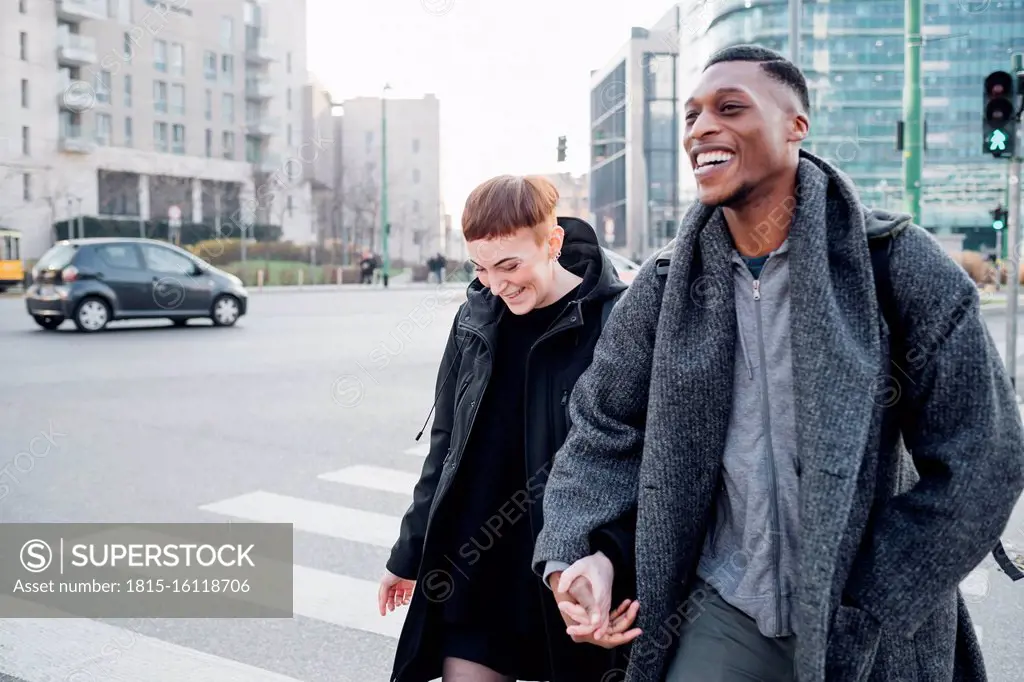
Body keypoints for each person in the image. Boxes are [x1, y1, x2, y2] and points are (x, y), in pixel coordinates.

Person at [532, 45, 1024, 682]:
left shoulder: (897, 266)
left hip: (869, 620)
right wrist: (579, 551)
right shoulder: (660, 288)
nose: (702, 128)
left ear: (797, 127)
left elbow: (984, 457)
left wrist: (880, 593)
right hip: (724, 609)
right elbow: (603, 428)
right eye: (691, 116)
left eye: (730, 108)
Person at [379, 174, 642, 682]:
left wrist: (612, 557)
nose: (497, 284)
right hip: (476, 567)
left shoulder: (614, 320)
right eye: (480, 268)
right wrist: (408, 552)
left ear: (553, 243)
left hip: (568, 570)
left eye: (509, 265)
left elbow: (635, 462)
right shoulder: (474, 319)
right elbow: (446, 449)